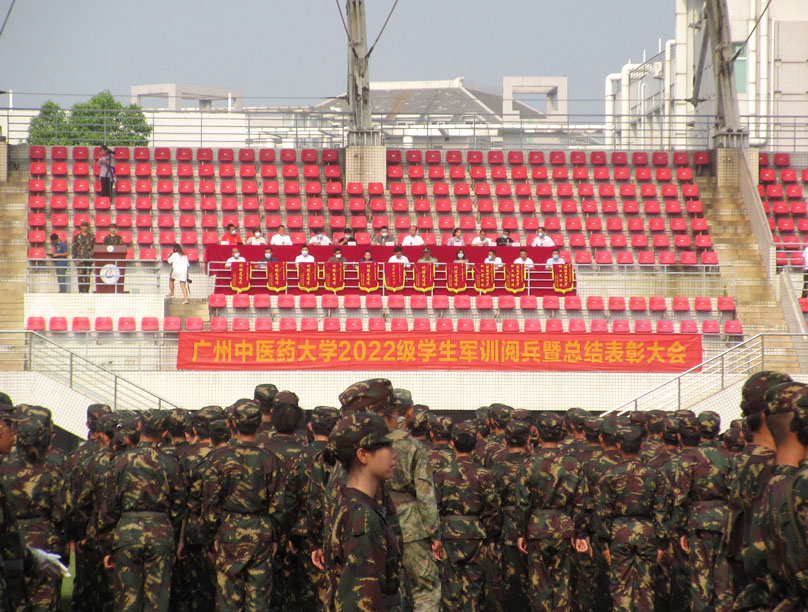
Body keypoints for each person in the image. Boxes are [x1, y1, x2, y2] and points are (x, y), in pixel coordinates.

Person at [203, 399, 290, 612]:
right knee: (259, 601)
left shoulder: (219, 458)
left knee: (228, 600)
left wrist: (212, 534)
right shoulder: (270, 459)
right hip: (261, 534)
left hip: (229, 533)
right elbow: (279, 506)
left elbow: (210, 503)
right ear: (260, 424)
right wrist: (274, 536)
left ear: (232, 424)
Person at [99, 410, 186, 612]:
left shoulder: (120, 461)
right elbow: (178, 507)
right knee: (157, 602)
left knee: (127, 601)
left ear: (139, 427)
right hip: (160, 534)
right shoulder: (171, 463)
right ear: (164, 433)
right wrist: (171, 536)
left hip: (127, 533)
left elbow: (109, 506)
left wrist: (107, 545)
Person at [325, 411, 402, 611]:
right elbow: (362, 600)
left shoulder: (352, 505)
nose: (394, 454)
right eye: (386, 446)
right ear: (363, 455)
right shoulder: (362, 517)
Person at [516, 412, 587, 612]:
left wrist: (521, 532)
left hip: (536, 529)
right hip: (564, 529)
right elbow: (580, 501)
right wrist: (580, 532)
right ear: (561, 434)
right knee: (563, 583)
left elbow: (522, 502)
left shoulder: (528, 463)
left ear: (537, 433)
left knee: (540, 585)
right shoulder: (572, 463)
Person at [596, 425, 669, 612]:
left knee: (621, 587)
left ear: (618, 445)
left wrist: (604, 544)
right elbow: (662, 510)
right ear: (642, 445)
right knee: (646, 586)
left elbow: (603, 512)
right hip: (647, 532)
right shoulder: (654, 474)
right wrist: (661, 542)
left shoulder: (609, 474)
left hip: (619, 532)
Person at [0, 417, 69, 611]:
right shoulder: (52, 470)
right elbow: (61, 513)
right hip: (44, 539)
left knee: (14, 597)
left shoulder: (3, 466)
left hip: (11, 541)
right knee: (43, 600)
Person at [433, 422, 500, 611]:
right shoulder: (484, 474)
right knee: (473, 587)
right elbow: (493, 508)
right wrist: (488, 533)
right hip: (475, 535)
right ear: (474, 446)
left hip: (449, 535)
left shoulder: (441, 474)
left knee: (450, 587)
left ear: (452, 444)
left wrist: (436, 537)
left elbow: (434, 508)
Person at [72, 221, 95, 293]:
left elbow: (94, 248)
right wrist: (75, 259)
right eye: (83, 226)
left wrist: (93, 258)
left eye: (86, 226)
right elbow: (74, 248)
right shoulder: (77, 237)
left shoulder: (92, 237)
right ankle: (81, 292)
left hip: (89, 260)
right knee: (80, 276)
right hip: (80, 260)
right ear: (81, 227)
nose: (85, 227)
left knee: (87, 277)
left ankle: (86, 292)